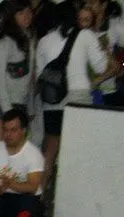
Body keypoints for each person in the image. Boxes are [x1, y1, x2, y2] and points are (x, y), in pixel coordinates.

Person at [36, 2, 109, 194]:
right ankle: (70, 196)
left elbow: (39, 75)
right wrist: (104, 49)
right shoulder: (86, 35)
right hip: (78, 97)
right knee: (75, 149)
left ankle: (40, 192)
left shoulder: (44, 40)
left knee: (50, 149)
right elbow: (101, 67)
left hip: (52, 100)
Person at [0, 0, 35, 145]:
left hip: (21, 102)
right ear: (12, 16)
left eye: (29, 12)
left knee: (17, 154)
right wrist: (8, 111)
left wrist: (30, 106)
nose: (26, 16)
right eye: (21, 13)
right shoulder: (4, 42)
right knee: (0, 151)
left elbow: (29, 77)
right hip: (3, 103)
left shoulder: (29, 38)